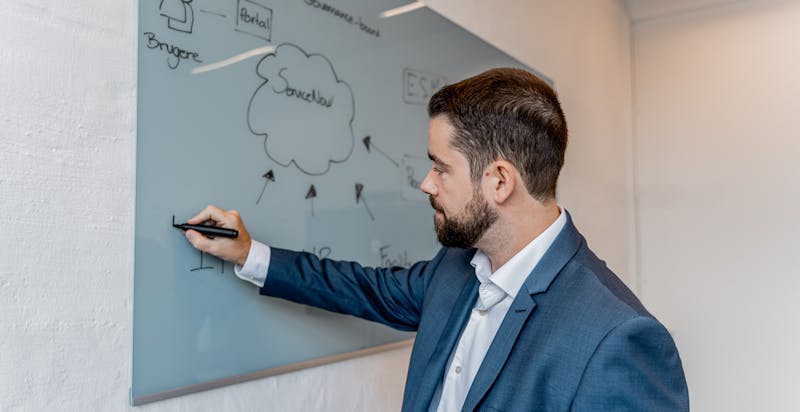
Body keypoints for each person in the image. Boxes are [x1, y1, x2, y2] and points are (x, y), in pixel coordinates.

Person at [184, 68, 689, 411]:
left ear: (498, 180)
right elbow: (364, 288)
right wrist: (249, 253)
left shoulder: (617, 339)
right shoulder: (454, 270)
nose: (426, 183)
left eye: (441, 167)